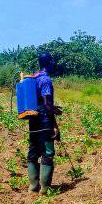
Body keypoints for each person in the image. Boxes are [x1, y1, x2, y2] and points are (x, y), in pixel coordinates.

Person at [25, 52, 61, 193]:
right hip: (44, 120)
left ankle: (33, 186)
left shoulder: (34, 78)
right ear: (50, 63)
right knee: (48, 151)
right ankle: (45, 188)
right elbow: (46, 103)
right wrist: (55, 113)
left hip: (33, 118)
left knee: (33, 150)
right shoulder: (46, 80)